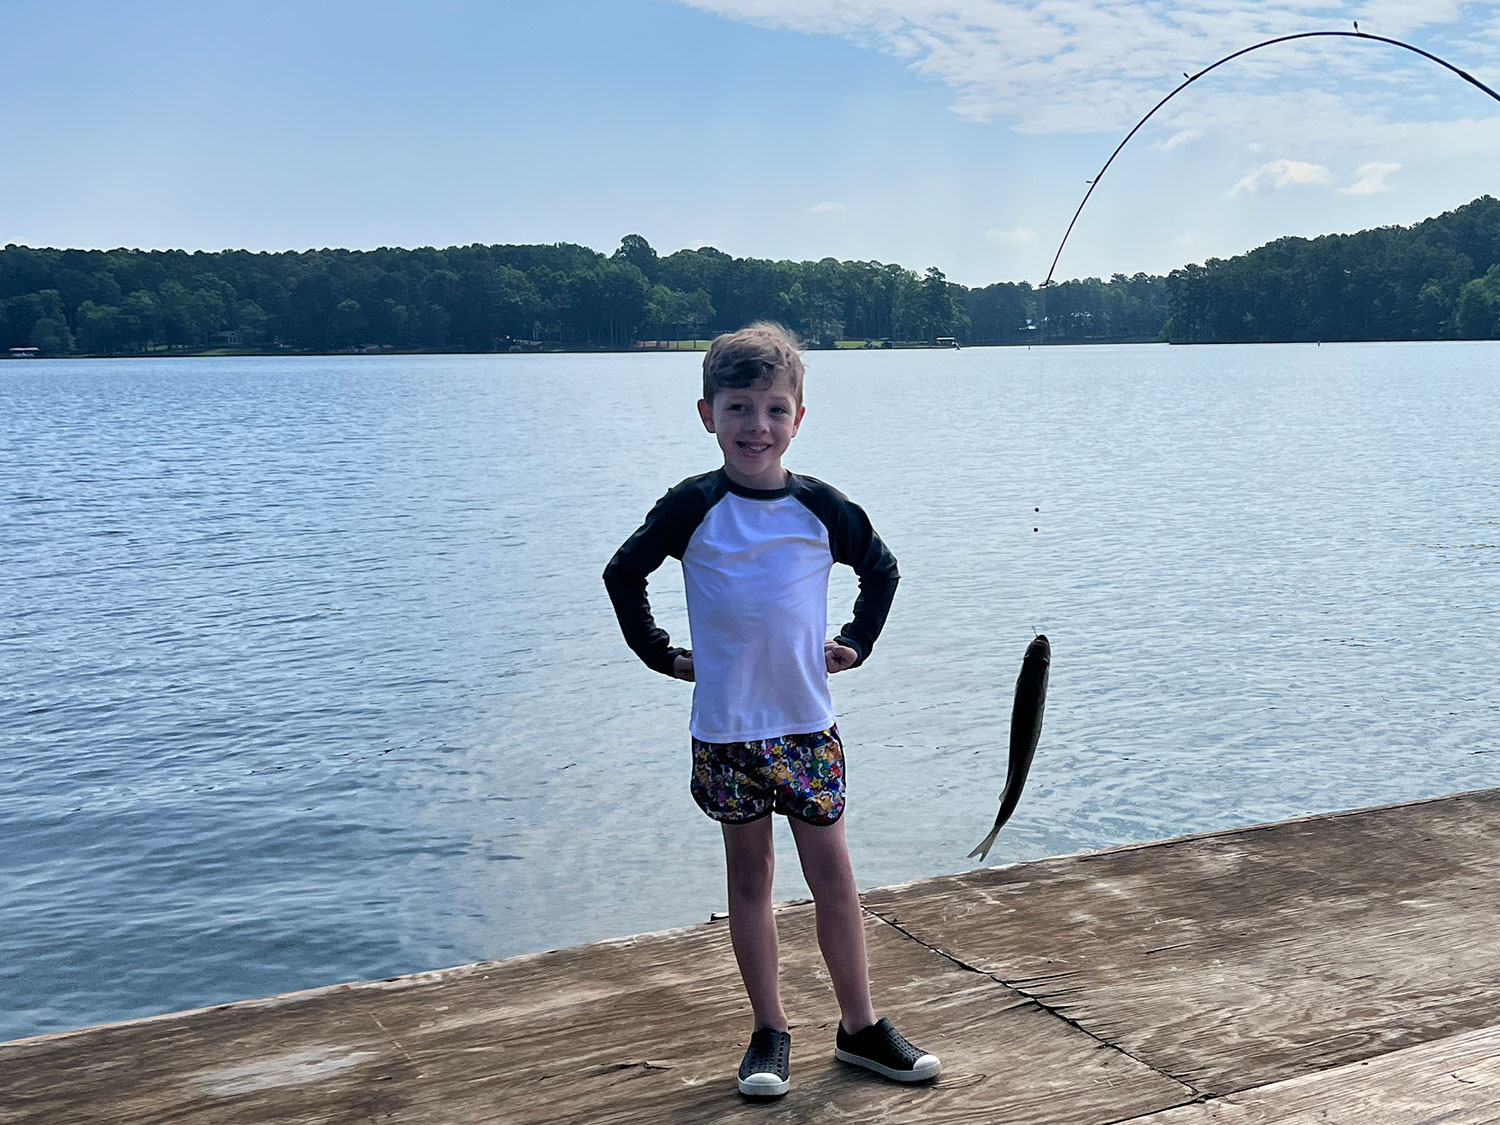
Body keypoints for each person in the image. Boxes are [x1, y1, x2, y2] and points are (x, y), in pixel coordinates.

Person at [603, 322, 941, 1098]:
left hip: (806, 725)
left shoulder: (821, 508)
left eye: (774, 409)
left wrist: (855, 641)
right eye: (739, 408)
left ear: (798, 418)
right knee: (750, 878)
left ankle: (859, 1026)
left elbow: (882, 570)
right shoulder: (692, 506)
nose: (757, 426)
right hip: (726, 731)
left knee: (835, 878)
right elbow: (624, 573)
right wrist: (662, 653)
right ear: (707, 415)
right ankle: (770, 1029)